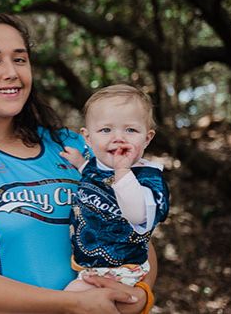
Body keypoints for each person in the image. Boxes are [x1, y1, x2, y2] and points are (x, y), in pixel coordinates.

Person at [0, 13, 156, 314]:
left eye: (20, 59)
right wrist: (74, 304)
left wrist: (139, 296)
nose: (11, 72)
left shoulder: (79, 147)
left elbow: (136, 236)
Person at [60, 85, 169, 297]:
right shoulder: (96, 166)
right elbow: (94, 178)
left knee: (71, 298)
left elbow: (137, 214)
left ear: (147, 138)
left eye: (131, 130)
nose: (118, 138)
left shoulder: (148, 178)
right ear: (88, 138)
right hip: (94, 266)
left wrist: (122, 171)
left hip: (123, 270)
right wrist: (80, 163)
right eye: (106, 130)